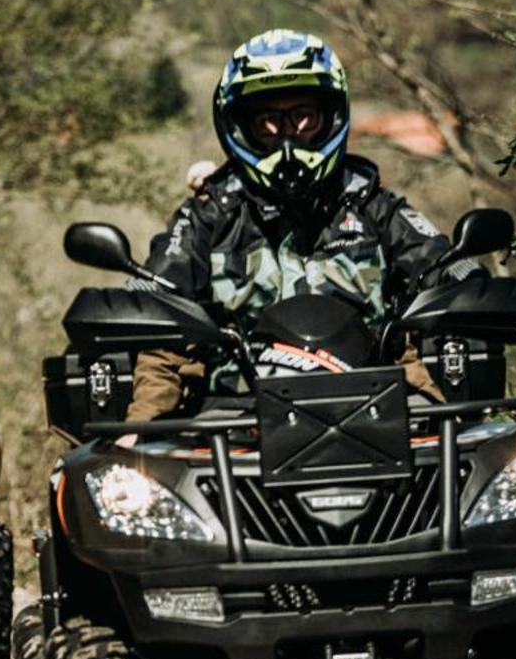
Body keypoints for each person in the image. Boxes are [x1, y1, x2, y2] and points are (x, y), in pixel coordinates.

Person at [123, 30, 471, 438]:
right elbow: (157, 313)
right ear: (241, 127)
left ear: (331, 116)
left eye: (303, 116)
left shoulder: (372, 204)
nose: (287, 136)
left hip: (381, 406)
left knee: (484, 463)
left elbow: (449, 268)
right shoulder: (208, 215)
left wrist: (472, 284)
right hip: (235, 419)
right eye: (267, 121)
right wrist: (137, 432)